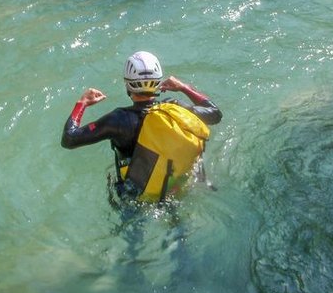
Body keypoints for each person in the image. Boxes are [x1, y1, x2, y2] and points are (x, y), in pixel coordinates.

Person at [61, 51, 222, 203]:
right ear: (158, 82)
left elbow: (69, 138)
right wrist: (183, 87)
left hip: (134, 196)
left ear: (128, 84)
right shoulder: (174, 108)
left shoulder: (118, 120)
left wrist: (81, 103)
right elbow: (215, 113)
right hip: (170, 188)